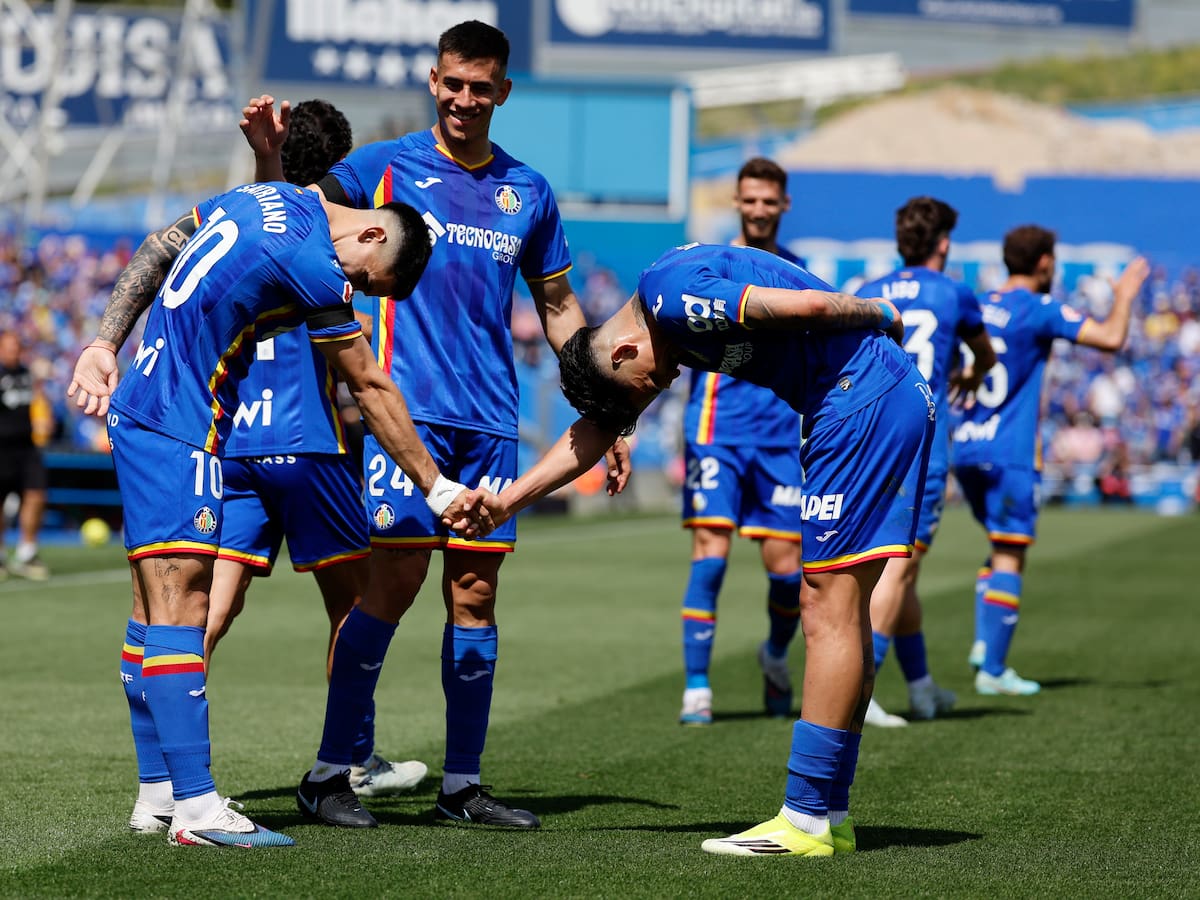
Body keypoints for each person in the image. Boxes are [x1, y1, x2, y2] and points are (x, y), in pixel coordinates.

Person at [239, 19, 626, 829]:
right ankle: (328, 773)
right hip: (405, 420)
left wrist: (605, 407)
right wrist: (266, 157)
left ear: (504, 92)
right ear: (434, 79)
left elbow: (557, 308)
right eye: (453, 82)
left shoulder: (530, 191)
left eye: (480, 87)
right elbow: (292, 218)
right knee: (394, 583)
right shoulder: (384, 167)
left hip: (489, 423)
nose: (464, 99)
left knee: (476, 595)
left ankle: (462, 786)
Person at [475, 242, 934, 858]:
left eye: (644, 387)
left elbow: (806, 307)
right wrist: (509, 502)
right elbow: (596, 430)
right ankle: (830, 811)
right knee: (843, 606)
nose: (661, 385)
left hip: (860, 402)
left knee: (826, 604)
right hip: (875, 399)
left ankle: (803, 818)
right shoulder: (658, 328)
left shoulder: (670, 300)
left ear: (625, 350)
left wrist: (877, 312)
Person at [67, 180, 483, 848]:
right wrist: (437, 489)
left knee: (152, 607)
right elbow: (370, 386)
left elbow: (158, 248)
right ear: (372, 236)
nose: (354, 293)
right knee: (183, 606)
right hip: (180, 427)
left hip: (144, 408)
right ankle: (199, 809)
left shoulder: (266, 195)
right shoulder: (318, 264)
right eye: (365, 283)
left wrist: (103, 343)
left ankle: (158, 796)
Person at [203, 99, 427, 817]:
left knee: (207, 609)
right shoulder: (327, 237)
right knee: (357, 605)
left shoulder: (249, 214)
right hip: (307, 437)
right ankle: (352, 759)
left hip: (237, 435)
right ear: (337, 164)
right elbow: (357, 365)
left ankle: (176, 775)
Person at [954, 226, 1148, 695]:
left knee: (998, 549)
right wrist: (1122, 296)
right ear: (1044, 262)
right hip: (1010, 452)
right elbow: (1110, 336)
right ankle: (994, 670)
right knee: (1010, 554)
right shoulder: (1039, 309)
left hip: (963, 446)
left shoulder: (977, 302)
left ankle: (985, 643)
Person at [854, 196, 996, 726]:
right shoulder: (954, 292)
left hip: (869, 439)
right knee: (901, 568)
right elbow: (986, 355)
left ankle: (921, 688)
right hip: (920, 444)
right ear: (943, 243)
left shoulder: (868, 291)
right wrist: (972, 374)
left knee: (897, 572)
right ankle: (859, 692)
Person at [677, 158, 804, 726]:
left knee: (788, 573)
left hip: (779, 437)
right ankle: (698, 688)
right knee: (711, 557)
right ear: (737, 202)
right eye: (748, 200)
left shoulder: (800, 272)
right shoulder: (712, 264)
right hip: (715, 432)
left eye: (767, 201)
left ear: (783, 206)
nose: (757, 210)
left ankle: (774, 655)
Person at [0, 330, 50, 580]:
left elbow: (39, 404)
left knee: (36, 494)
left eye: (16, 347)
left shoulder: (27, 375)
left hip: (26, 447)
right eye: (8, 347)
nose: (12, 351)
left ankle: (26, 552)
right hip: (2, 448)